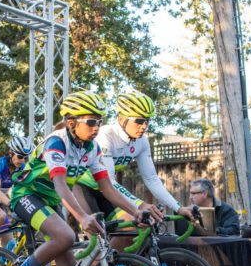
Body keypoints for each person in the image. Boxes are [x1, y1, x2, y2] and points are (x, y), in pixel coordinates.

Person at [7, 90, 143, 266]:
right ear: (72, 122)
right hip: (27, 194)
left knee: (68, 264)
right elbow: (60, 184)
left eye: (99, 122)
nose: (96, 127)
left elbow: (108, 188)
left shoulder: (91, 149)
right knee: (66, 235)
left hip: (51, 201)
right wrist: (82, 217)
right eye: (91, 122)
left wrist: (138, 211)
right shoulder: (56, 142)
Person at [75, 90, 194, 224]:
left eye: (147, 121)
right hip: (83, 186)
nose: (144, 126)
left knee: (132, 226)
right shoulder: (105, 136)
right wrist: (139, 204)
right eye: (139, 121)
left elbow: (151, 179)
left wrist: (178, 207)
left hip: (108, 192)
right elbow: (109, 180)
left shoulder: (142, 141)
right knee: (96, 233)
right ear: (121, 119)